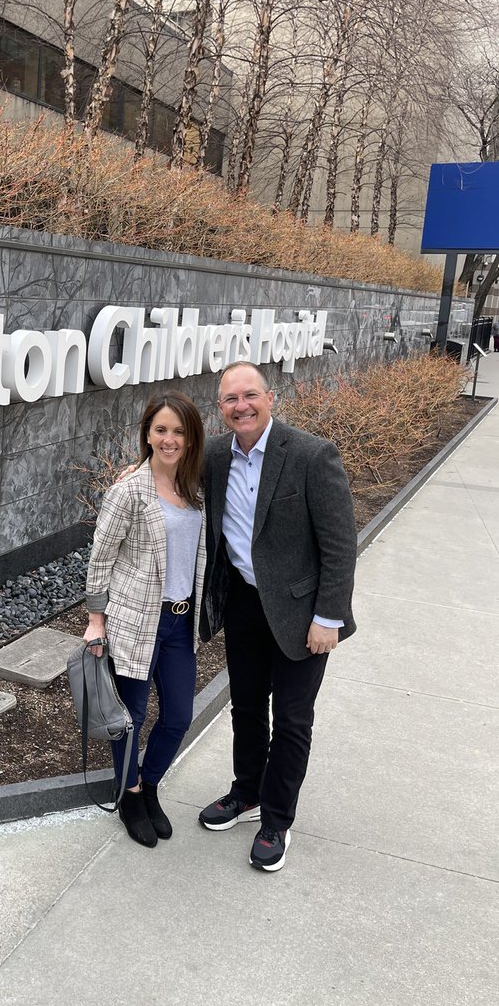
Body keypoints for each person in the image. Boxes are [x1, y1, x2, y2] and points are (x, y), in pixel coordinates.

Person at [198, 362, 357, 872]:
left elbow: (339, 545)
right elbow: (174, 474)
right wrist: (135, 473)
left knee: (291, 720)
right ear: (220, 408)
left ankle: (276, 820)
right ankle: (246, 793)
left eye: (249, 396)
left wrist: (328, 616)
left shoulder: (311, 455)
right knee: (245, 708)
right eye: (230, 400)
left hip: (302, 612)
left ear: (271, 398)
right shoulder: (217, 455)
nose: (240, 406)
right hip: (244, 604)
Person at [83, 392, 207, 848]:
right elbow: (100, 560)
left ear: (191, 438)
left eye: (179, 431)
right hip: (137, 620)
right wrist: (97, 621)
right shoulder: (128, 490)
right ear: (147, 434)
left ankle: (150, 784)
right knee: (131, 717)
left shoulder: (196, 487)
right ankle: (130, 794)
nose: (169, 439)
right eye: (161, 430)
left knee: (178, 715)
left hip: (180, 622)